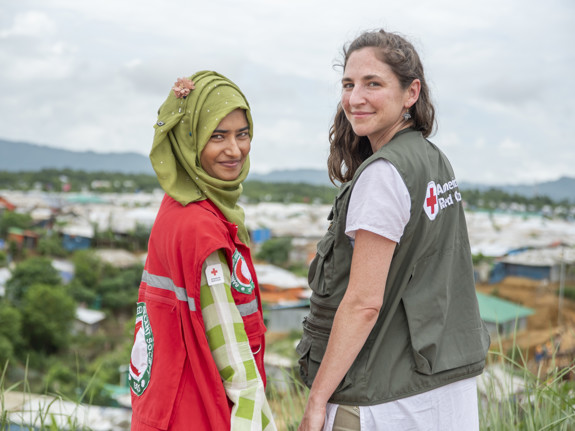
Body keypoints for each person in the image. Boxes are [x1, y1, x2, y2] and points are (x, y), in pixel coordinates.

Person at [297, 30, 491, 431]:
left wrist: (317, 400)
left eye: (373, 84)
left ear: (410, 92)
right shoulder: (433, 160)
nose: (355, 98)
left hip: (384, 403)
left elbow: (363, 303)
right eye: (348, 84)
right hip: (445, 391)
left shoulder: (384, 175)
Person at [129, 71, 277, 430]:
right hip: (199, 410)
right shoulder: (200, 227)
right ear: (189, 140)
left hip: (167, 405)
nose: (235, 149)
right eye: (217, 136)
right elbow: (232, 354)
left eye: (242, 134)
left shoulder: (177, 206)